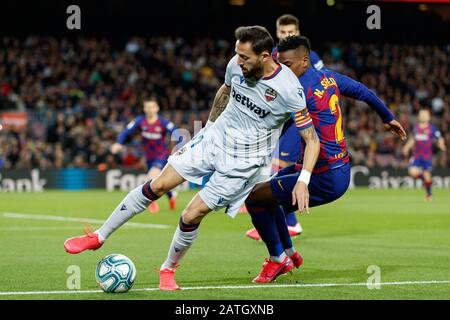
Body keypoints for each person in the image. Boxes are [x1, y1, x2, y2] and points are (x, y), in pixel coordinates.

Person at [63, 26, 321, 291]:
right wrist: (208, 127)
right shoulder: (236, 65)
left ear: (265, 56)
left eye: (245, 58)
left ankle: (168, 268)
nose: (238, 62)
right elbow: (225, 91)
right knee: (158, 184)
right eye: (237, 55)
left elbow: (311, 139)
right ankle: (99, 235)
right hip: (213, 140)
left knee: (191, 214)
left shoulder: (289, 89)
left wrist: (303, 180)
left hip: (243, 162)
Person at [245, 35, 407, 283]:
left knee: (255, 199)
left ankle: (278, 260)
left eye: (287, 65)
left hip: (324, 176)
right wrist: (386, 117)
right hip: (335, 167)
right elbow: (363, 91)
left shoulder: (300, 91)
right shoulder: (328, 77)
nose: (282, 70)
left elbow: (280, 122)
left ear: (304, 61)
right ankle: (289, 254)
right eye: (280, 64)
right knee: (269, 194)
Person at [245, 14, 324, 241]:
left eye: (291, 32)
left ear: (298, 32)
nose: (287, 35)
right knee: (274, 171)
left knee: (277, 166)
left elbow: (322, 83)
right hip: (280, 119)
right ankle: (280, 219)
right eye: (283, 32)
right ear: (277, 32)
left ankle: (290, 223)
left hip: (299, 118)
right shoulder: (272, 57)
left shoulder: (310, 57)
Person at [111, 97, 177, 213]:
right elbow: (126, 131)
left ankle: (151, 201)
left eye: (152, 107)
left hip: (161, 156)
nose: (149, 109)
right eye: (147, 107)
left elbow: (176, 131)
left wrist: (179, 146)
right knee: (160, 181)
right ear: (144, 109)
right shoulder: (140, 121)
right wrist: (118, 143)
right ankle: (171, 195)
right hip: (148, 157)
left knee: (151, 177)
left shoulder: (163, 122)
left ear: (157, 108)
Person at [402, 108, 446, 201]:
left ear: (429, 117)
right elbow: (413, 139)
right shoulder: (416, 127)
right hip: (417, 156)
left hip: (427, 157)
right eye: (421, 114)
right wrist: (406, 147)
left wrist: (441, 144)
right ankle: (423, 180)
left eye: (425, 114)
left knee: (428, 176)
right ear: (418, 116)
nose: (422, 115)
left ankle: (429, 194)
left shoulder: (432, 128)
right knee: (412, 172)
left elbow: (439, 137)